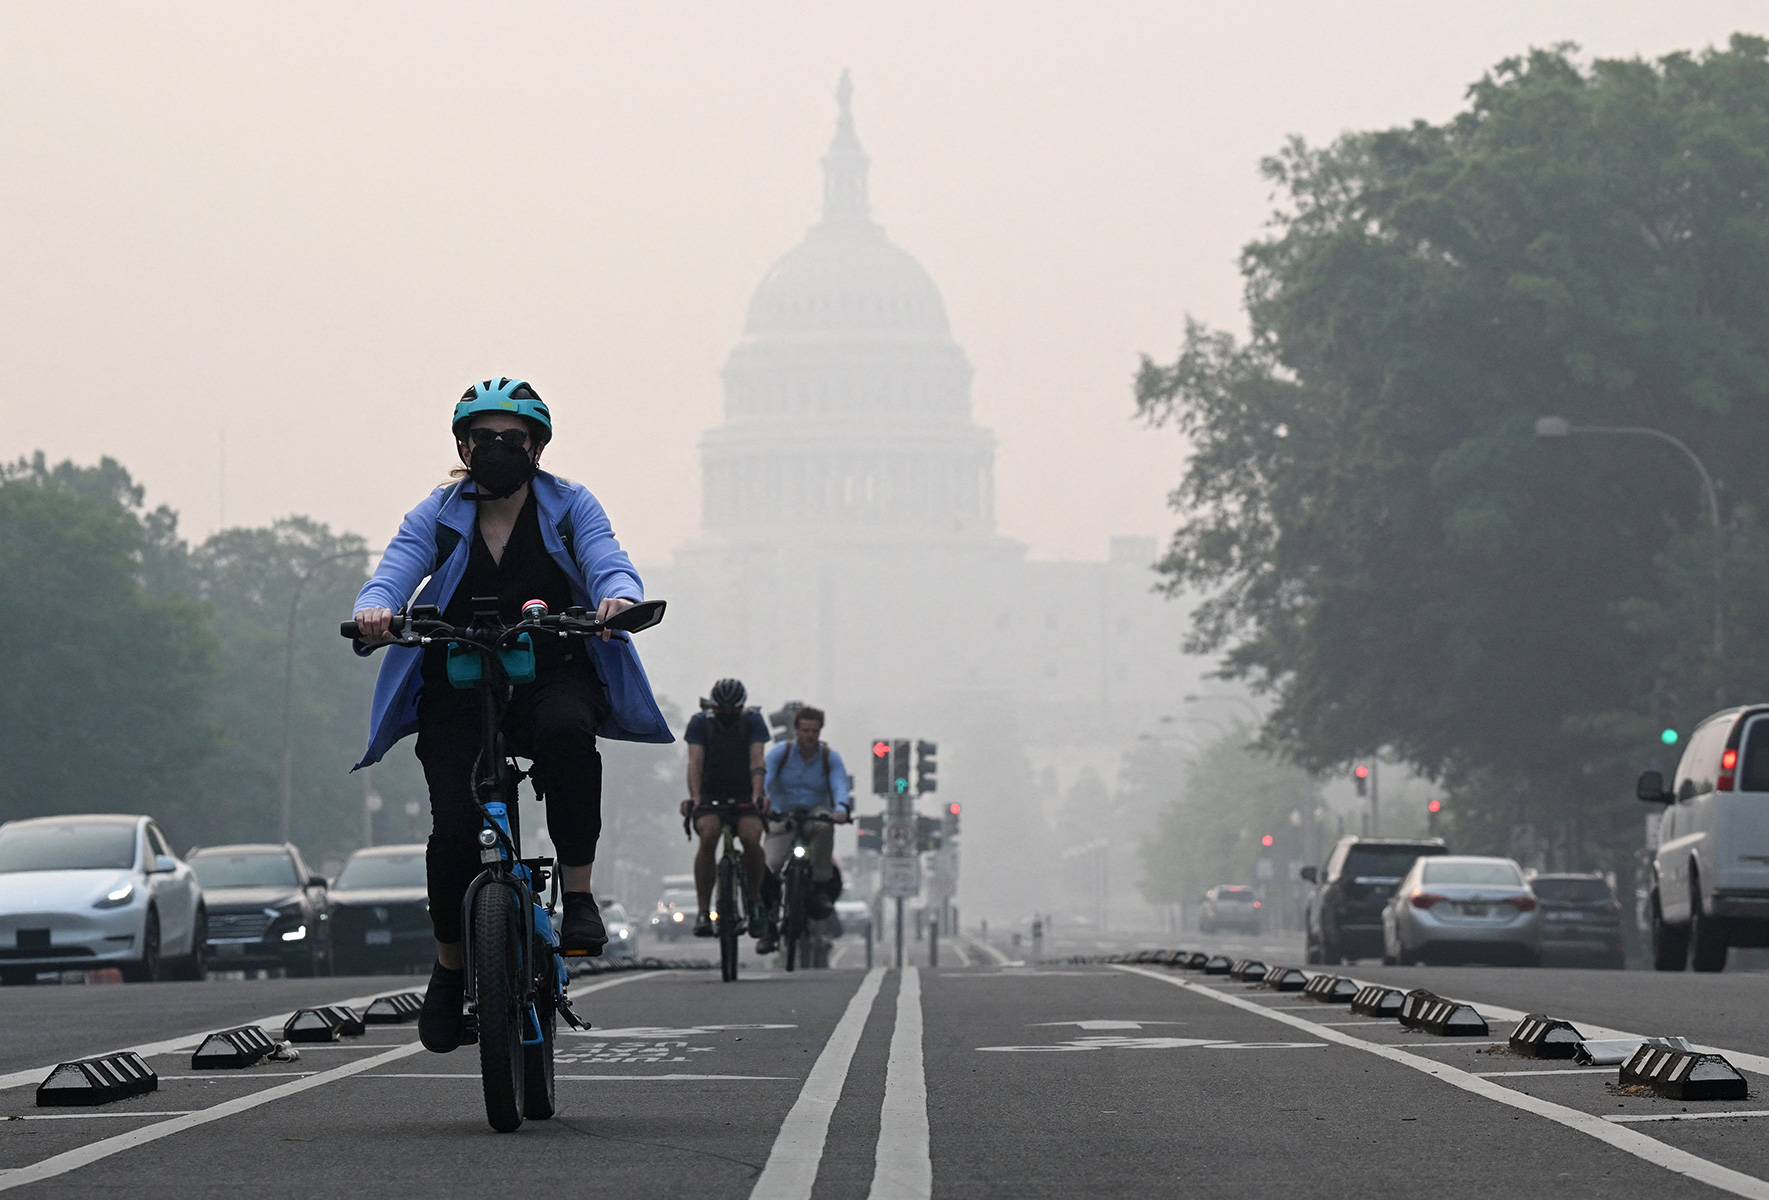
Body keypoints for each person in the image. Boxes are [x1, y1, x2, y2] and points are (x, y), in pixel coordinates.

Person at [349, 377, 673, 1054]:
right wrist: (377, 608)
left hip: (552, 673)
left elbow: (607, 560)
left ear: (537, 447)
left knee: (567, 736)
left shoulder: (569, 506)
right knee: (453, 834)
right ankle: (449, 969)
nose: (497, 450)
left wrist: (616, 599)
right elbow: (396, 570)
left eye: (513, 439)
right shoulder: (436, 514)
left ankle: (579, 894)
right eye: (484, 439)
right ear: (463, 446)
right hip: (460, 684)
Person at [677, 678, 770, 938]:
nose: (727, 716)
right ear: (713, 707)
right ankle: (704, 911)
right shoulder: (700, 723)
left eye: (733, 711)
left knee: (752, 838)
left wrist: (757, 794)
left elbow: (757, 760)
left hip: (744, 796)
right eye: (722, 711)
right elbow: (695, 762)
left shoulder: (753, 721)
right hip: (710, 795)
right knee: (708, 835)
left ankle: (754, 901)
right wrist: (695, 797)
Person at [758, 705, 850, 952]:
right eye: (805, 730)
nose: (809, 736)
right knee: (769, 865)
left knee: (823, 824)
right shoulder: (781, 753)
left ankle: (820, 886)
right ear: (796, 730)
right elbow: (765, 778)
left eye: (814, 731)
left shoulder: (829, 757)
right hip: (782, 815)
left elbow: (840, 783)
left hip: (812, 814)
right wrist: (763, 800)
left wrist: (841, 808)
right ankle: (769, 921)